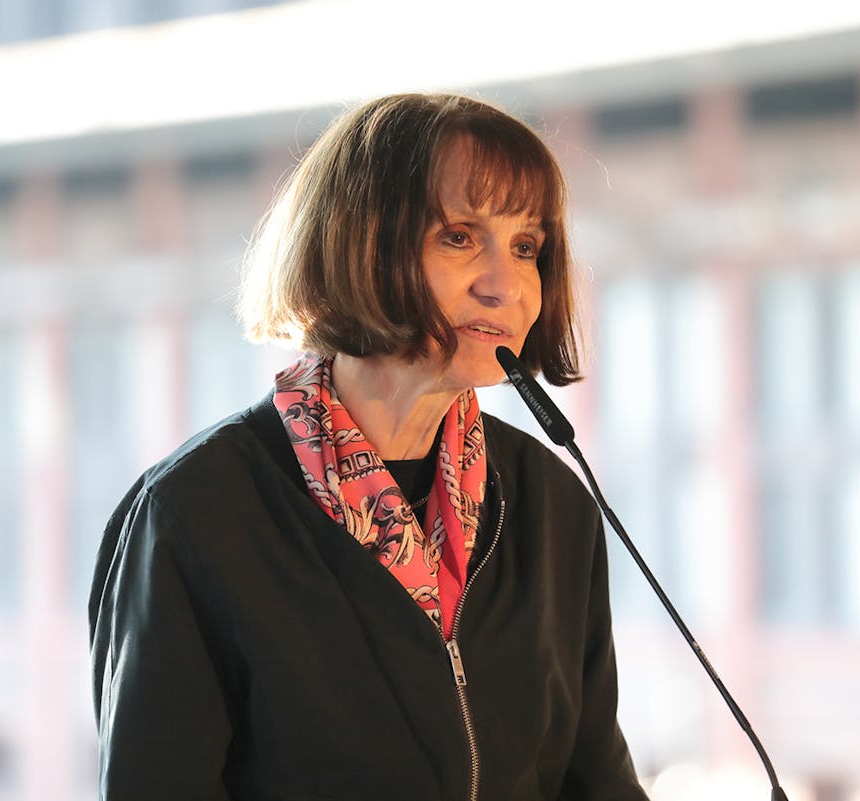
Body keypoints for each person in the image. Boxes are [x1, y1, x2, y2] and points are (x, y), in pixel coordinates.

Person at [88, 93, 648, 801]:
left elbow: (594, 781)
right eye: (458, 236)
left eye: (526, 247)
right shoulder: (194, 514)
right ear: (359, 243)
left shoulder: (552, 503)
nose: (505, 285)